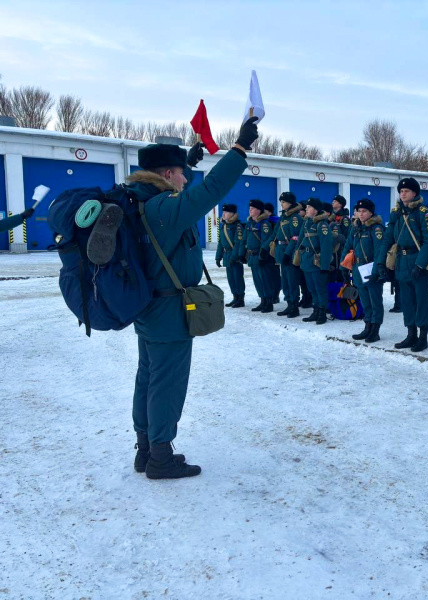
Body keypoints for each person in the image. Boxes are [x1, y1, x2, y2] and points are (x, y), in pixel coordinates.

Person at [127, 117, 258, 478]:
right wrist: (239, 149)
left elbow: (189, 189)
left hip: (149, 306)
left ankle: (145, 450)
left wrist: (189, 161)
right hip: (169, 311)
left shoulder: (143, 201)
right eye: (181, 173)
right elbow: (212, 191)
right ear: (167, 174)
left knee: (148, 378)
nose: (186, 180)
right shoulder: (165, 208)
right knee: (166, 383)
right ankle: (160, 458)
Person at [375, 177, 428, 352]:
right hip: (401, 260)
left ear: (415, 193)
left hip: (418, 259)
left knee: (421, 300)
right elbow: (388, 237)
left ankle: (423, 337)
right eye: (401, 191)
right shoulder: (396, 212)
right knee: (407, 300)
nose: (403, 194)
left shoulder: (423, 212)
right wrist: (381, 262)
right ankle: (411, 334)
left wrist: (420, 265)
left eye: (407, 191)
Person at [342, 198, 385, 343]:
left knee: (375, 301)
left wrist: (376, 271)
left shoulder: (376, 229)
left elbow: (380, 251)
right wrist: (344, 266)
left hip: (371, 268)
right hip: (358, 268)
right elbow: (348, 246)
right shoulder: (356, 228)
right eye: (359, 211)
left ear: (371, 212)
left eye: (364, 211)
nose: (361, 214)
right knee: (365, 300)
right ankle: (367, 326)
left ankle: (375, 329)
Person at [299, 198, 333, 325]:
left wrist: (324, 266)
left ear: (316, 210)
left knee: (320, 288)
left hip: (317, 262)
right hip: (307, 260)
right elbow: (300, 241)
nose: (306, 209)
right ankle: (315, 310)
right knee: (311, 288)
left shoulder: (322, 225)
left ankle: (322, 313)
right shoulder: (307, 222)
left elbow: (326, 247)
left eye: (309, 207)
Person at [270, 192, 304, 318]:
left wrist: (287, 253)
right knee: (285, 280)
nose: (282, 204)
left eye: (284, 202)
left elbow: (295, 238)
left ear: (290, 203)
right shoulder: (284, 217)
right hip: (281, 250)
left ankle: (294, 306)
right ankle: (289, 304)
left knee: (292, 280)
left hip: (289, 253)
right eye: (281, 202)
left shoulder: (295, 218)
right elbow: (276, 233)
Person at [243, 199, 274, 313]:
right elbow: (245, 239)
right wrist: (243, 253)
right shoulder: (250, 223)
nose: (250, 210)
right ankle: (262, 301)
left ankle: (269, 303)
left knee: (264, 279)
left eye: (253, 208)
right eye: (250, 208)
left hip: (260, 255)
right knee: (257, 280)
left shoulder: (264, 224)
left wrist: (263, 255)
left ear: (259, 210)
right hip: (252, 256)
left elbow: (266, 240)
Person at [215, 202, 246, 308]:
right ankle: (235, 297)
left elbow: (238, 243)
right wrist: (218, 257)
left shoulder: (237, 226)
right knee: (231, 278)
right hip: (226, 255)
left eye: (226, 212)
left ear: (233, 214)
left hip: (235, 255)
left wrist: (234, 257)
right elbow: (220, 243)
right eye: (223, 212)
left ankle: (240, 299)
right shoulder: (224, 226)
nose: (223, 214)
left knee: (237, 277)